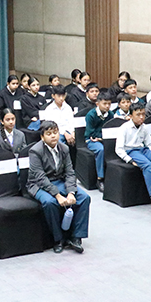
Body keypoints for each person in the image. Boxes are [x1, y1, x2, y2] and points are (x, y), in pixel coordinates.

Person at [26, 121, 91, 254]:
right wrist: (58, 195)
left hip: (59, 181)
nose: (53, 136)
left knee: (84, 197)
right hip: (38, 184)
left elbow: (70, 172)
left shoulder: (64, 148)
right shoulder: (35, 151)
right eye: (49, 134)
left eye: (55, 133)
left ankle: (76, 237)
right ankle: (58, 239)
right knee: (50, 202)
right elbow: (40, 177)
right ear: (42, 137)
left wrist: (71, 192)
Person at [115, 103, 151, 209]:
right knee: (147, 165)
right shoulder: (124, 128)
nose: (141, 117)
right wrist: (129, 160)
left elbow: (149, 143)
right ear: (131, 116)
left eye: (143, 114)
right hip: (131, 151)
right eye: (138, 115)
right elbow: (119, 149)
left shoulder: (144, 127)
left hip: (143, 150)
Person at [84, 93, 113, 188]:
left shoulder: (111, 114)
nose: (107, 106)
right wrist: (101, 138)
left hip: (104, 139)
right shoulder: (91, 115)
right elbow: (91, 134)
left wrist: (102, 138)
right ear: (97, 104)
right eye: (104, 103)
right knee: (101, 150)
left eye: (109, 104)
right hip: (92, 140)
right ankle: (100, 178)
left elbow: (111, 130)